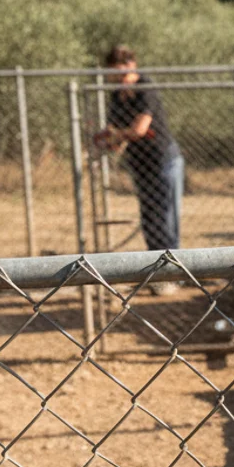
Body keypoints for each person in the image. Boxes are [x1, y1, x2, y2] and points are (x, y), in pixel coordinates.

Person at [92, 45, 183, 294]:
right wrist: (110, 142)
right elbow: (118, 133)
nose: (119, 74)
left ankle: (173, 275)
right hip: (141, 164)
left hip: (163, 161)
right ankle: (157, 273)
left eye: (123, 67)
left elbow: (139, 129)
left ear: (132, 64)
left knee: (165, 219)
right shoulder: (118, 96)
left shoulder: (145, 87)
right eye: (114, 69)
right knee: (150, 220)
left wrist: (117, 135)